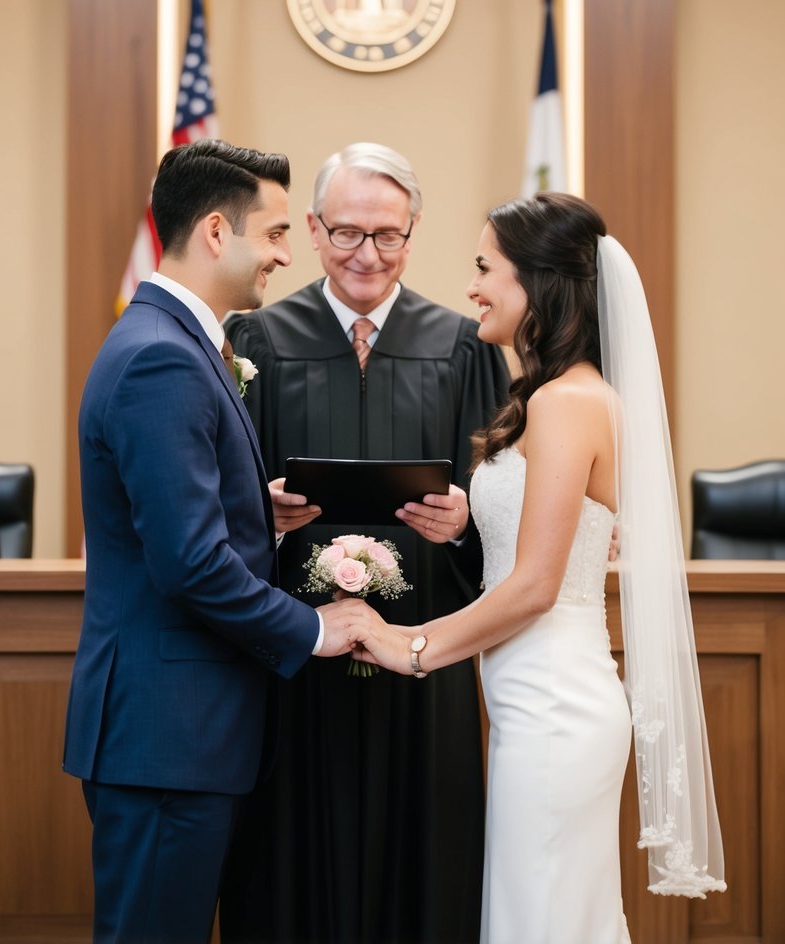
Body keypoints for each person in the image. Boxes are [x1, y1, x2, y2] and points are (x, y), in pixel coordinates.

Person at [348, 192, 727, 943]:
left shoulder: (564, 401)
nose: (471, 286)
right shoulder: (562, 396)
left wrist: (410, 644)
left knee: (541, 921)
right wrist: (470, 516)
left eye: (487, 267)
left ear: (539, 284)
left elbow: (533, 587)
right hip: (535, 704)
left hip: (556, 710)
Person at [63, 140, 370, 944]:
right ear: (212, 231)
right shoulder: (162, 359)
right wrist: (312, 627)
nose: (284, 253)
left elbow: (171, 523)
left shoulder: (176, 341)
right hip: (167, 738)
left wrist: (249, 513)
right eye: (272, 233)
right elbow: (188, 565)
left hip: (182, 738)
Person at [221, 143, 511, 944]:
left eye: (387, 235)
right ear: (313, 231)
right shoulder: (258, 340)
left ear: (412, 235)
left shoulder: (462, 346)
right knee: (288, 843)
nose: (367, 255)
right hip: (296, 651)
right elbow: (216, 502)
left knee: (423, 842)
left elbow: (500, 508)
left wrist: (465, 526)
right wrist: (259, 511)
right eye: (347, 233)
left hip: (423, 645)